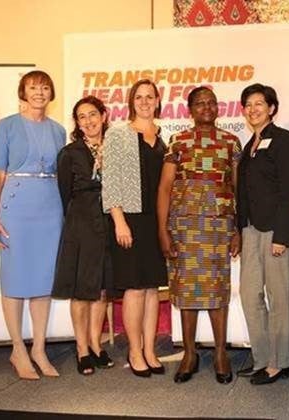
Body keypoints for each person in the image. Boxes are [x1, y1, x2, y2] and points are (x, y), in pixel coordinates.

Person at [158, 86, 241, 384]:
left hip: (219, 227)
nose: (206, 107)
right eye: (199, 103)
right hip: (185, 226)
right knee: (187, 291)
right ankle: (189, 353)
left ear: (218, 108)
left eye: (211, 103)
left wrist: (237, 230)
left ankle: (221, 353)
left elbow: (237, 189)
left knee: (218, 291)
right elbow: (165, 188)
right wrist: (162, 231)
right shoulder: (177, 142)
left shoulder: (231, 142)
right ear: (190, 110)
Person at [0, 70, 65, 380]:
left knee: (43, 282)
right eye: (33, 87)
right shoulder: (5, 126)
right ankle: (18, 349)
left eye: (45, 87)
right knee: (15, 278)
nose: (39, 92)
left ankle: (39, 347)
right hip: (15, 207)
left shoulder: (59, 130)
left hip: (50, 207)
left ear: (51, 94)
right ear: (23, 91)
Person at [101, 80, 168, 378]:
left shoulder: (162, 136)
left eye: (149, 97)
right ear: (131, 102)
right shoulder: (118, 134)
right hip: (129, 217)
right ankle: (134, 350)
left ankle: (150, 349)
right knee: (134, 288)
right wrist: (118, 220)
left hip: (156, 220)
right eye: (138, 97)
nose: (144, 101)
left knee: (153, 287)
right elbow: (110, 180)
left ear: (157, 101)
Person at [236, 83, 289, 385]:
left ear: (272, 108)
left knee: (277, 296)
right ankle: (261, 358)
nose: (253, 109)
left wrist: (282, 236)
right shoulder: (249, 145)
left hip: (277, 227)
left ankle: (279, 362)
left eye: (259, 103)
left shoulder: (283, 140)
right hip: (250, 228)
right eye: (248, 104)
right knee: (250, 295)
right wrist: (239, 229)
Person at [52, 96, 120, 375]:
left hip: (109, 223)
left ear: (104, 116)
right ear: (77, 123)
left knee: (102, 289)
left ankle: (96, 343)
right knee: (81, 292)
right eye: (82, 117)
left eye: (93, 114)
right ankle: (82, 348)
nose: (89, 121)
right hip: (80, 226)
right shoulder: (69, 153)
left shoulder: (116, 148)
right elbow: (64, 193)